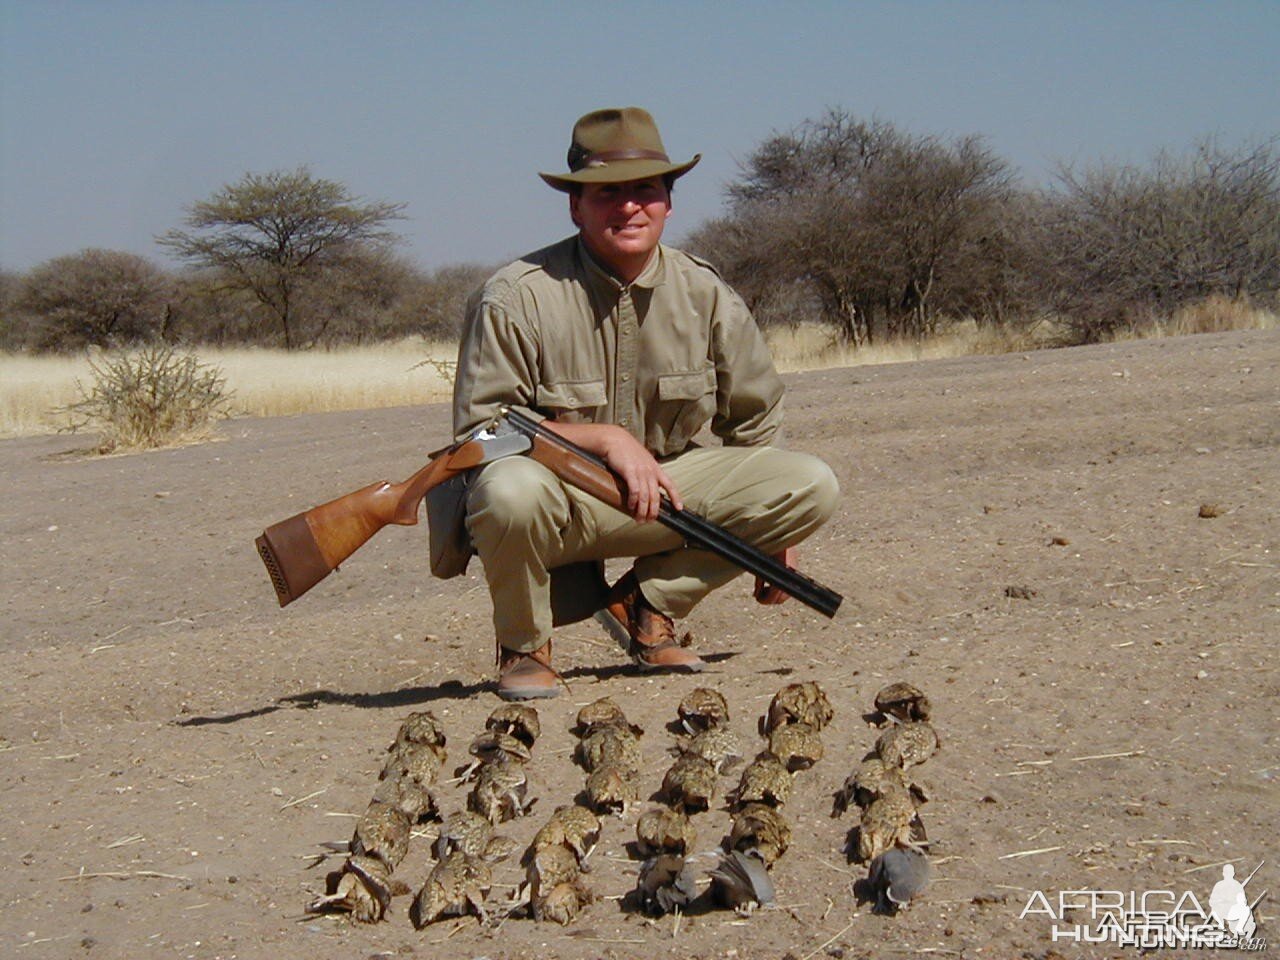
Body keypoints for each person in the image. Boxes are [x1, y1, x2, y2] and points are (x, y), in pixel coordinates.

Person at [432, 107, 839, 700]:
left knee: (811, 484)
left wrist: (774, 533)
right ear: (576, 206)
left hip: (668, 498)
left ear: (668, 201)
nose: (628, 207)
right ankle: (525, 648)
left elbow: (756, 423)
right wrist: (604, 439)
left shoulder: (707, 293)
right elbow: (481, 437)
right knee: (506, 489)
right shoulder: (514, 297)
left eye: (644, 190)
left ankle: (647, 607)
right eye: (606, 193)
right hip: (559, 502)